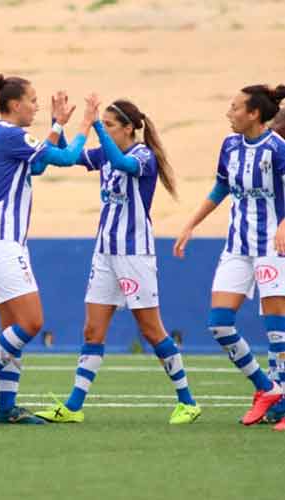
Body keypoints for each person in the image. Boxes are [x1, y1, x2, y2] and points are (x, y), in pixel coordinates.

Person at [34, 96, 201, 425]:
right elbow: (70, 158)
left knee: (152, 331)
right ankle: (73, 406)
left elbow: (123, 165)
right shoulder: (106, 154)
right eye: (104, 124)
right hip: (105, 253)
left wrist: (95, 123)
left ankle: (188, 401)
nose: (105, 131)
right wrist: (62, 123)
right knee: (92, 330)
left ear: (128, 129)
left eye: (110, 125)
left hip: (134, 255)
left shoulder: (142, 156)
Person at [0, 75, 98, 425]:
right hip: (0, 240)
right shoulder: (10, 134)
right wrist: (84, 124)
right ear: (15, 104)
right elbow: (65, 158)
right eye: (32, 100)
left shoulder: (1, 135)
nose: (37, 106)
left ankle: (7, 407)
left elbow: (36, 164)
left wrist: (57, 124)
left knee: (12, 326)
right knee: (32, 321)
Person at [174, 84, 285, 431]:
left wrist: (284, 225)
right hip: (237, 246)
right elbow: (221, 188)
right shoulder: (230, 145)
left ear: (253, 114)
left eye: (235, 107)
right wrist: (191, 223)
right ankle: (268, 389)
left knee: (276, 329)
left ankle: (281, 404)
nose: (229, 113)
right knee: (219, 322)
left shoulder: (277, 148)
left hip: (272, 246)